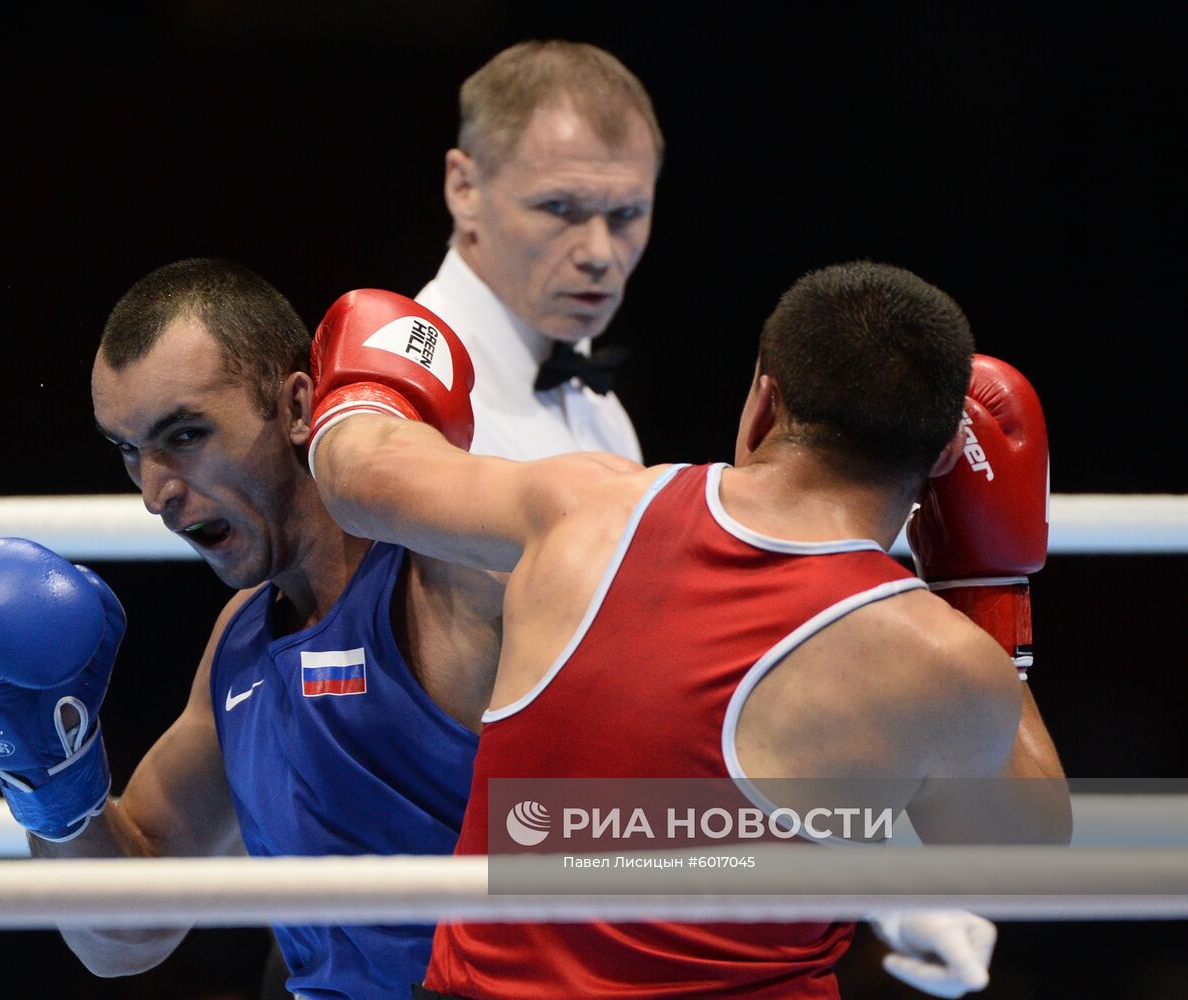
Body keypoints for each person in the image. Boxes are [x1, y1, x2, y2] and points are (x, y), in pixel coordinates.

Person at [308, 261, 1071, 998]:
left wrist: (374, 377)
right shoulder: (935, 657)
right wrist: (984, 588)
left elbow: (358, 475)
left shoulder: (582, 507)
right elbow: (1017, 861)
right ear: (940, 457)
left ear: (763, 405)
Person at [0, 259, 504, 999]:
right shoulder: (243, 645)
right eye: (129, 452)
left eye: (185, 434)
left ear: (297, 407)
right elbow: (126, 938)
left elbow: (678, 839)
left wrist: (492, 891)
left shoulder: (456, 587)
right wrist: (49, 782)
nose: (156, 493)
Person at [415, 39, 659, 462]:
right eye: (559, 208)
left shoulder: (605, 415)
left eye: (626, 214)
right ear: (465, 189)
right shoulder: (410, 405)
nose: (599, 253)